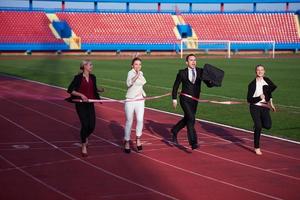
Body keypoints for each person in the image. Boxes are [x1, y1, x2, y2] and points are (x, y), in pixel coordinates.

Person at [171, 54, 214, 150]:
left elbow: (208, 84)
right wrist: (174, 99)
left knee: (188, 118)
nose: (193, 62)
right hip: (184, 99)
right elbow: (175, 87)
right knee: (191, 119)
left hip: (195, 100)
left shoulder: (200, 71)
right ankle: (193, 142)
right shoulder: (182, 73)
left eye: (195, 60)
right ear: (187, 62)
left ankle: (174, 130)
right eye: (191, 60)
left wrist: (212, 82)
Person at [66, 60, 103, 157]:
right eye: (90, 65)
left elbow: (93, 88)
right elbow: (70, 90)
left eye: (92, 64)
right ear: (84, 66)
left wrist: (99, 90)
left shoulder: (93, 77)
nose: (92, 66)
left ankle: (86, 136)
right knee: (85, 124)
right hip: (80, 104)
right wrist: (81, 95)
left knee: (92, 126)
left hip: (90, 103)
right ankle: (83, 145)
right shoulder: (78, 78)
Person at [247, 64, 277, 155]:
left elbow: (269, 92)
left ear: (264, 71)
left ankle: (256, 125)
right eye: (258, 70)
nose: (260, 71)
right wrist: (259, 98)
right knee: (259, 127)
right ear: (255, 72)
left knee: (268, 126)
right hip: (255, 107)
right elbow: (249, 99)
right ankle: (257, 147)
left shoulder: (267, 80)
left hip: (265, 107)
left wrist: (271, 103)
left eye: (262, 70)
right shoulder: (252, 84)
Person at [124, 57, 146, 153]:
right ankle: (127, 141)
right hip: (130, 100)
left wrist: (143, 94)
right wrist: (136, 75)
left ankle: (138, 138)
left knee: (140, 120)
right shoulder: (130, 73)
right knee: (129, 121)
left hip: (140, 99)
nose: (138, 66)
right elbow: (128, 84)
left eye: (139, 64)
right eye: (136, 64)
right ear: (132, 65)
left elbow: (142, 84)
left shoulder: (141, 73)